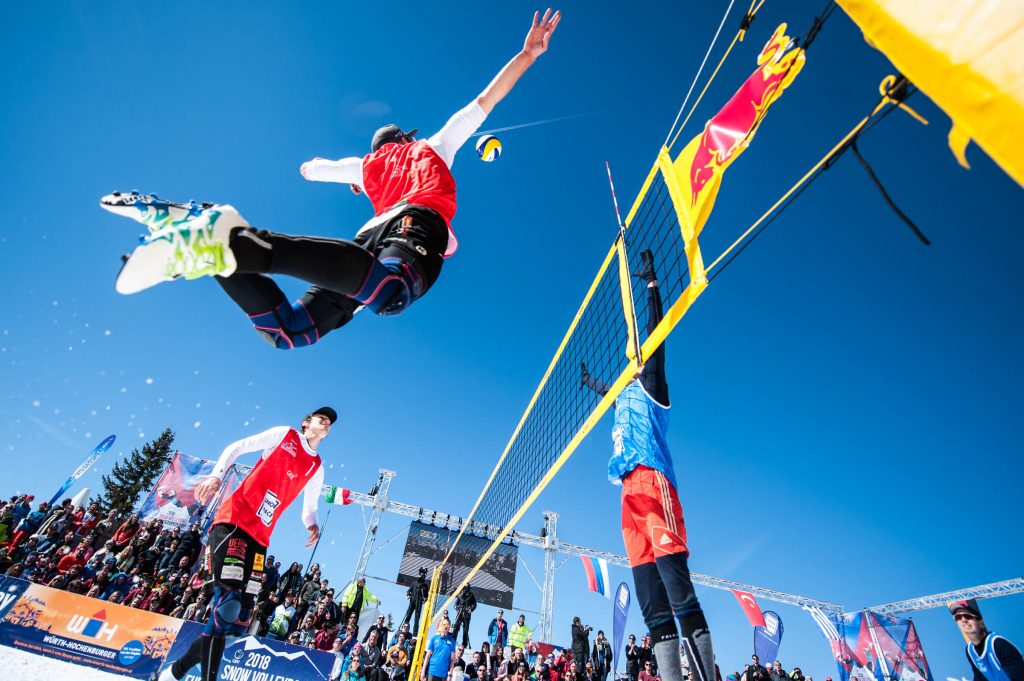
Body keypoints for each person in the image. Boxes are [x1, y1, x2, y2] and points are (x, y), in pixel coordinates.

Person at [102, 10, 562, 351]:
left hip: (371, 237)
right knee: (392, 294)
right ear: (403, 138)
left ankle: (201, 238)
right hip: (415, 222)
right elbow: (484, 101)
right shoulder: (434, 146)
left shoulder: (364, 166)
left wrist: (350, 178)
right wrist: (527, 54)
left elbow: (312, 167)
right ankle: (234, 239)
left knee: (290, 331)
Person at [580, 250, 716, 681]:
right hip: (627, 495)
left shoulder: (653, 386)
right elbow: (611, 392)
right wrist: (590, 383)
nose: (633, 360)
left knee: (677, 588)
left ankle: (706, 675)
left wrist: (652, 285)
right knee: (650, 602)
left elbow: (657, 335)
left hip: (654, 484)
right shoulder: (623, 393)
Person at [155, 406, 333, 681]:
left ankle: (174, 672)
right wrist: (216, 475)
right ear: (306, 422)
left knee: (238, 621)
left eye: (330, 420)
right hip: (234, 523)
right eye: (321, 416)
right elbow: (236, 447)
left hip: (260, 540)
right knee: (227, 607)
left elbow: (309, 507)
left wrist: (312, 524)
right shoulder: (284, 435)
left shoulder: (316, 467)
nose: (327, 420)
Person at [950, 600, 1024, 681]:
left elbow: (1018, 677)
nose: (963, 619)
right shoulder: (970, 651)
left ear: (982, 623)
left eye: (968, 616)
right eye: (958, 617)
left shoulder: (998, 644)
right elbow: (980, 678)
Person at [403, 567, 429, 631]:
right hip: (412, 601)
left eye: (424, 574)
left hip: (419, 603)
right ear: (419, 574)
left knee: (417, 618)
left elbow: (426, 596)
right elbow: (409, 591)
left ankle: (415, 633)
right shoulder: (414, 583)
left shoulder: (425, 586)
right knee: (408, 616)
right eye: (421, 573)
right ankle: (403, 629)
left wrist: (424, 600)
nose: (422, 575)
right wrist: (409, 595)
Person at [453, 583, 477, 648]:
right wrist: (456, 607)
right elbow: (456, 603)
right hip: (460, 613)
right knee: (456, 627)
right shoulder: (460, 594)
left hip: (467, 614)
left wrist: (471, 609)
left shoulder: (471, 595)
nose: (464, 589)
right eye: (464, 587)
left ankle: (464, 644)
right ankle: (453, 641)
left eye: (466, 587)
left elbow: (475, 604)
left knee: (465, 630)